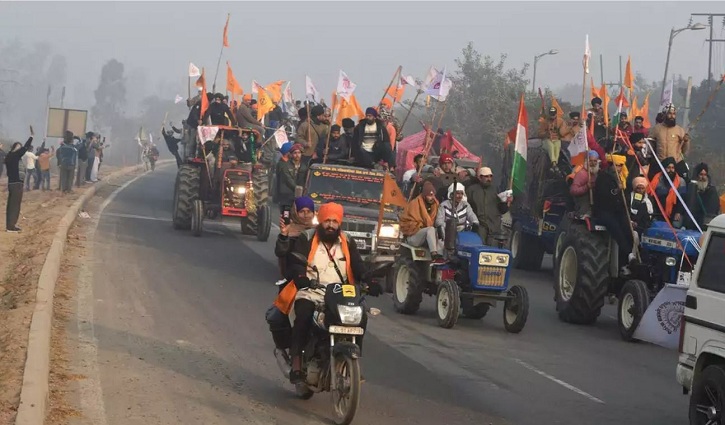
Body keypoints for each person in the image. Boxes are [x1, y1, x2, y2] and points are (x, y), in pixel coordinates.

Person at [287, 202, 370, 384]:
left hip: (342, 293)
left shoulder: (347, 241)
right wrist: (301, 277)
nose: (330, 225)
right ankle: (296, 363)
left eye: (334, 221)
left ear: (339, 222)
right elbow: (296, 263)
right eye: (327, 221)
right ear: (320, 222)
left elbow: (358, 265)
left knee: (361, 316)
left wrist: (369, 280)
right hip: (313, 291)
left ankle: (355, 362)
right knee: (303, 315)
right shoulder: (307, 238)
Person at [266, 196, 317, 354]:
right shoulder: (290, 230)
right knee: (290, 314)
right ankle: (295, 353)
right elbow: (281, 252)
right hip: (295, 280)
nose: (306, 215)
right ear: (296, 212)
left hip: (319, 280)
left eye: (309, 211)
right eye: (302, 211)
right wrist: (284, 235)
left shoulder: (319, 232)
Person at [593, 157, 633, 275]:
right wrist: (616, 190)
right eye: (617, 165)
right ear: (611, 165)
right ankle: (627, 255)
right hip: (604, 211)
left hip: (617, 211)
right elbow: (603, 194)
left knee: (627, 228)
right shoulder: (603, 177)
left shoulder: (623, 178)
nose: (619, 168)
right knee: (616, 229)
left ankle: (629, 258)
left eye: (621, 165)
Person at [466, 167, 511, 246]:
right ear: (480, 177)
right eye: (486, 176)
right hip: (479, 228)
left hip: (494, 228)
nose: (489, 179)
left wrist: (506, 202)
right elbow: (465, 207)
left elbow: (502, 210)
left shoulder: (496, 190)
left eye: (490, 176)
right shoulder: (471, 190)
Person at [400, 181, 443, 261]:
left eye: (433, 195)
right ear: (424, 195)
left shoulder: (436, 205)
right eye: (430, 195)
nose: (432, 198)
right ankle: (434, 253)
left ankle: (441, 256)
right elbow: (407, 222)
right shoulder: (414, 204)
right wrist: (420, 225)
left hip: (427, 236)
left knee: (440, 230)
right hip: (413, 235)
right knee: (430, 229)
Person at [649, 104, 690, 179]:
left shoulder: (680, 130)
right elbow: (650, 146)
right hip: (660, 163)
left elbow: (684, 151)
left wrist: (686, 141)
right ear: (664, 115)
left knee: (685, 182)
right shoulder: (656, 129)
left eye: (674, 114)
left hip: (676, 163)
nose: (672, 116)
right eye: (669, 114)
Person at [5, 133, 34, 232]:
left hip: (13, 183)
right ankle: (11, 226)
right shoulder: (14, 155)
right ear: (14, 148)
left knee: (12, 205)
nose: (20, 148)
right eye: (18, 146)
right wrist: (31, 137)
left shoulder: (11, 157)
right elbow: (25, 148)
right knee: (15, 205)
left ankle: (10, 225)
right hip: (16, 183)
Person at [649, 156, 686, 225]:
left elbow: (682, 199)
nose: (671, 170)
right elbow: (651, 196)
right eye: (668, 168)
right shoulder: (657, 179)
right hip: (657, 211)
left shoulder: (681, 181)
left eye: (672, 168)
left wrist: (678, 212)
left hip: (674, 212)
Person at [685, 162, 721, 229]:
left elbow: (713, 208)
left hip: (705, 224)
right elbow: (689, 204)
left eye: (705, 175)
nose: (703, 177)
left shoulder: (712, 190)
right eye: (701, 174)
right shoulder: (691, 188)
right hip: (692, 224)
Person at [570, 151, 601, 217]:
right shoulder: (582, 174)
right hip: (583, 206)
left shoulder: (597, 174)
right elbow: (573, 190)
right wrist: (586, 187)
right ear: (587, 161)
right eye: (591, 161)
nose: (593, 163)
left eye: (595, 161)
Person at [278, 144, 307, 214]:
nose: (297, 155)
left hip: (299, 197)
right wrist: (297, 188)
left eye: (299, 153)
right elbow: (288, 180)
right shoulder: (285, 166)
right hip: (287, 197)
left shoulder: (304, 167)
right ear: (291, 154)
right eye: (295, 153)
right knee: (286, 216)